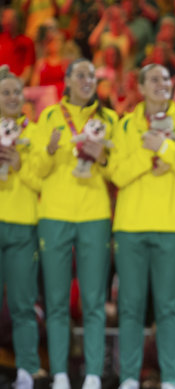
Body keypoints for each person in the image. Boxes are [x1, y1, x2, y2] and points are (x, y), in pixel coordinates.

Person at [108, 64, 175, 389]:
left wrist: (164, 148)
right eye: (155, 79)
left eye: (166, 79)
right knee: (131, 308)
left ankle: (171, 382)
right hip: (131, 226)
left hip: (173, 226)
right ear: (141, 86)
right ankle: (130, 380)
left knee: (170, 311)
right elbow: (117, 174)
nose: (162, 84)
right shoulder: (123, 126)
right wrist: (148, 158)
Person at [31, 58, 119, 389]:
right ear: (67, 81)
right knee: (55, 300)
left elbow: (117, 170)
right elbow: (37, 170)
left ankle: (94, 375)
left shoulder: (108, 118)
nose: (87, 80)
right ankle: (60, 375)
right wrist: (51, 150)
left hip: (94, 214)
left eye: (92, 76)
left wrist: (103, 157)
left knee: (94, 299)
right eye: (80, 74)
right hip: (53, 213)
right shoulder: (49, 116)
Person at [0, 66, 42, 389]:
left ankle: (27, 372)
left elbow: (43, 179)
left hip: (23, 225)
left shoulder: (36, 132)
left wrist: (18, 165)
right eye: (7, 92)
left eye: (18, 92)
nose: (13, 98)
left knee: (22, 303)